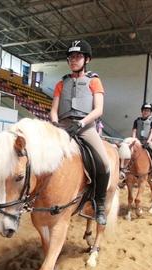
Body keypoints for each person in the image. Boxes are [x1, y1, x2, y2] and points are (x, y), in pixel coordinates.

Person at [49, 39, 109, 225]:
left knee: (104, 164)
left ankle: (99, 204)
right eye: (71, 57)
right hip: (64, 127)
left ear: (87, 59)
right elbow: (53, 109)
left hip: (85, 128)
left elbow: (98, 109)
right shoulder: (61, 83)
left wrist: (81, 123)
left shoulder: (94, 81)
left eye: (78, 56)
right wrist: (55, 123)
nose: (74, 60)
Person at [132, 103, 152, 183]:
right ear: (142, 111)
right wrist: (134, 140)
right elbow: (134, 131)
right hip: (137, 141)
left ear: (150, 112)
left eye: (148, 111)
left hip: (147, 142)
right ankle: (126, 174)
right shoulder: (137, 120)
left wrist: (148, 141)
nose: (146, 112)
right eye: (144, 110)